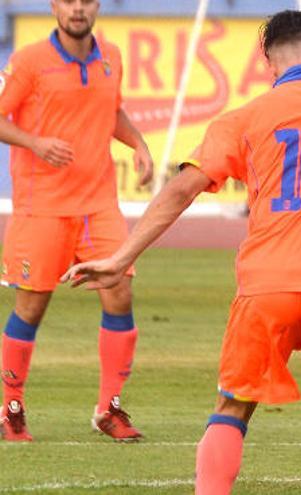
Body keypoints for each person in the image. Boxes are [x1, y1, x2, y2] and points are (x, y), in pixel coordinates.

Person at [63, 10, 301, 495]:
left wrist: (119, 257)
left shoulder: (243, 119)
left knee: (233, 407)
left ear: (268, 62)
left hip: (265, 290)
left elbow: (182, 189)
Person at [0, 0, 153, 442]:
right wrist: (35, 142)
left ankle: (110, 409)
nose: (78, 9)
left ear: (96, 6)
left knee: (119, 293)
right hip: (42, 206)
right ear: (54, 7)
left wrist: (138, 144)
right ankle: (11, 409)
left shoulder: (111, 56)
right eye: (69, 1)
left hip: (98, 205)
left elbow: (111, 113)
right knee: (31, 305)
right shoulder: (28, 62)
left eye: (86, 0)